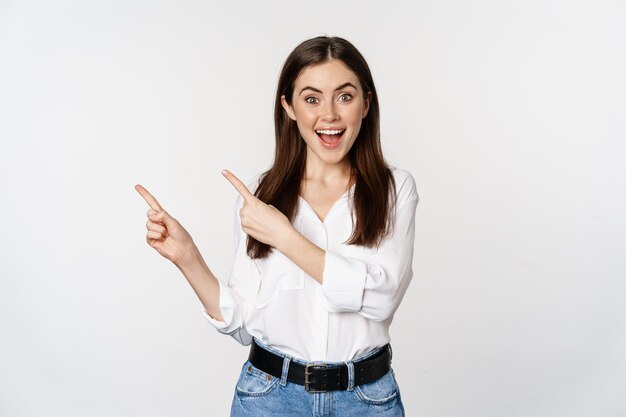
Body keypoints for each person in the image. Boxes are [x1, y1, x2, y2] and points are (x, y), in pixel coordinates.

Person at [135, 35, 419, 417]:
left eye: (345, 96)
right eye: (312, 98)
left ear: (366, 103)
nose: (330, 115)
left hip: (366, 400)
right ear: (288, 106)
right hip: (270, 398)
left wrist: (284, 236)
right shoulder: (258, 198)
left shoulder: (394, 189)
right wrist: (188, 257)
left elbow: (380, 298)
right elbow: (243, 324)